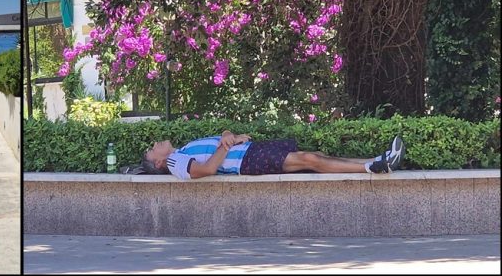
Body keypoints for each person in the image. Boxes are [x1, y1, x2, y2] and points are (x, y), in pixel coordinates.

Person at [143, 132, 404, 179]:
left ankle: (379, 160)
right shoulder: (176, 162)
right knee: (310, 160)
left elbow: (218, 143)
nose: (156, 143)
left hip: (248, 152)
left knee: (314, 156)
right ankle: (373, 166)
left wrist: (229, 135)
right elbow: (207, 171)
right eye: (153, 148)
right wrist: (226, 145)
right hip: (247, 162)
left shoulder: (183, 150)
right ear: (158, 161)